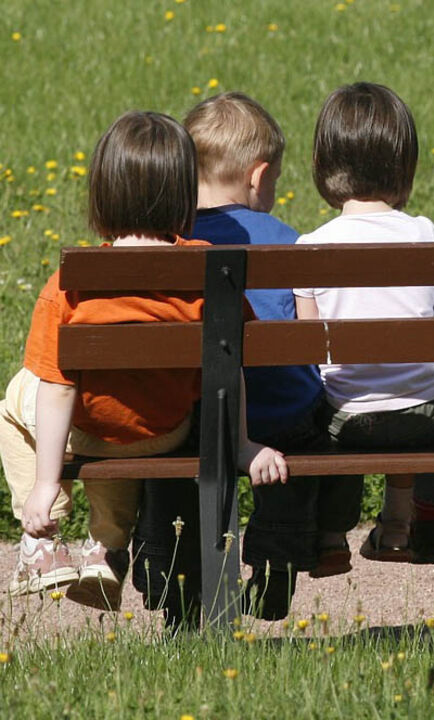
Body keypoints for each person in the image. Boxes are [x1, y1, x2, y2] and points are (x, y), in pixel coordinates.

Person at [0, 111, 287, 613]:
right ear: (182, 194)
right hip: (165, 430)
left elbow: (58, 388)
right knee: (120, 411)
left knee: (17, 399)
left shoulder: (73, 283)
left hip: (96, 434)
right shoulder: (210, 274)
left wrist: (48, 484)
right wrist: (241, 444)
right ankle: (104, 548)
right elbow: (230, 365)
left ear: (101, 193)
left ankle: (43, 541)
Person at [179, 91, 363, 619]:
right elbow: (311, 341)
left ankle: (178, 569)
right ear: (259, 177)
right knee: (303, 422)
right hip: (280, 417)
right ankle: (278, 558)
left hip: (197, 416)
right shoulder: (291, 243)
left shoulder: (174, 243)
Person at [293, 83, 434, 569]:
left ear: (323, 165)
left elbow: (312, 354)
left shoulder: (309, 247)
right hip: (426, 415)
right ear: (404, 166)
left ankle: (331, 536)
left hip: (346, 419)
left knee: (331, 405)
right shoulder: (424, 234)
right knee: (412, 393)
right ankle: (396, 524)